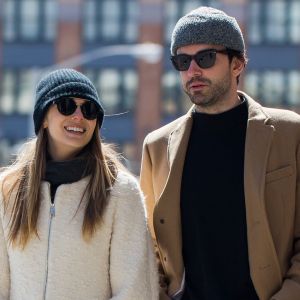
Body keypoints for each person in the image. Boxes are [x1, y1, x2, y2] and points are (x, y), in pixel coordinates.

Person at [140, 6, 300, 300]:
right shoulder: (157, 147)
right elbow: (150, 245)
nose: (193, 71)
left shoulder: (290, 133)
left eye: (205, 58)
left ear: (237, 64)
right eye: (183, 61)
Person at [0, 68, 158, 300]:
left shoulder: (120, 192)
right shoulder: (8, 189)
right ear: (43, 117)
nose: (78, 116)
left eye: (89, 109)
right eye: (66, 105)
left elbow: (134, 290)